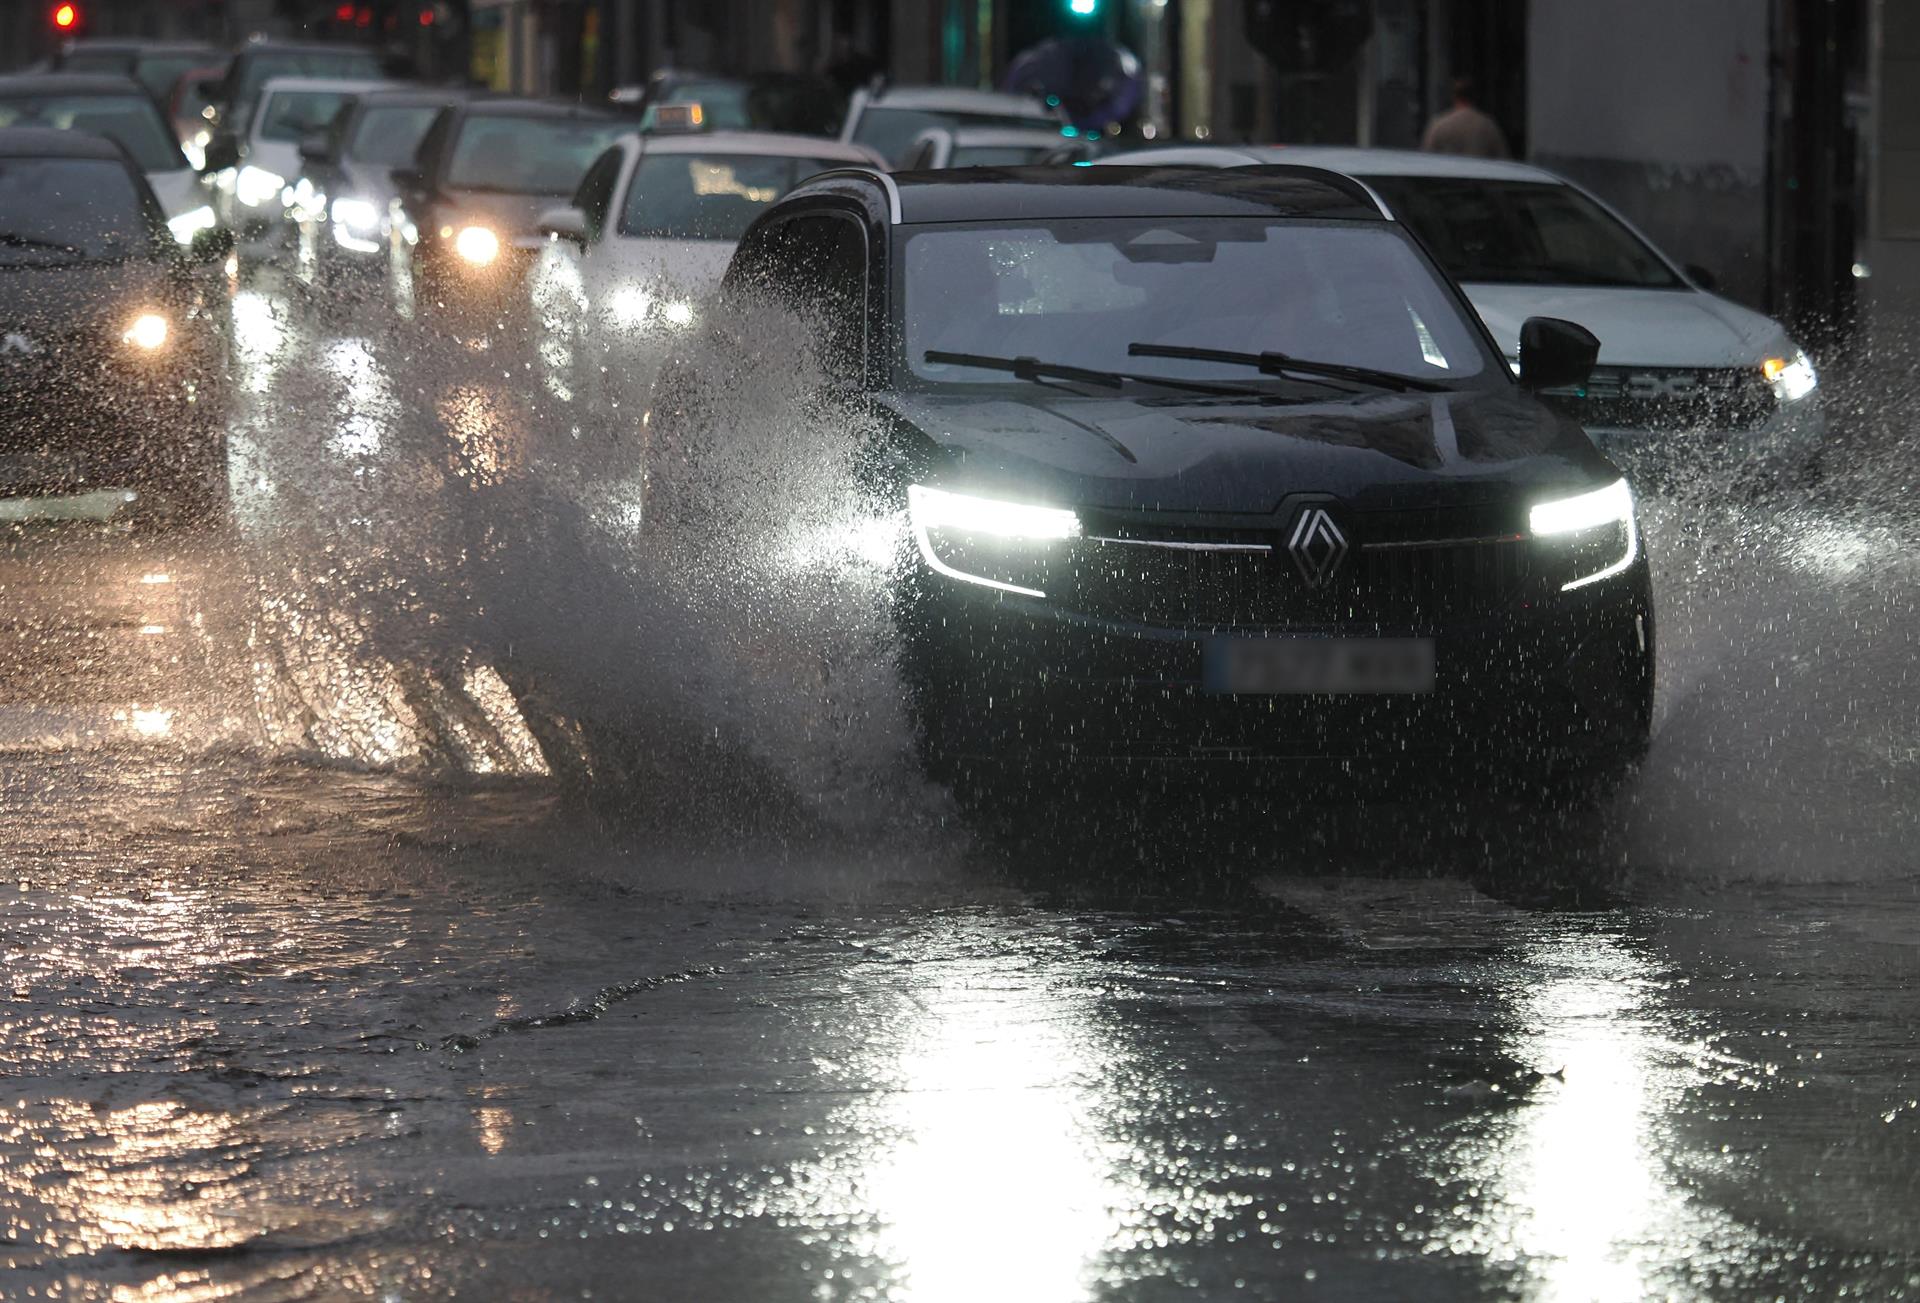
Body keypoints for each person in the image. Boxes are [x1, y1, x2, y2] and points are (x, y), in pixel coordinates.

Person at [1421, 76, 1510, 159]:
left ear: (1454, 96)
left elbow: (1427, 157)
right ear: (1474, 96)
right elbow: (1503, 159)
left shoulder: (1439, 124)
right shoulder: (1488, 125)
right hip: (1479, 173)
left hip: (1448, 174)